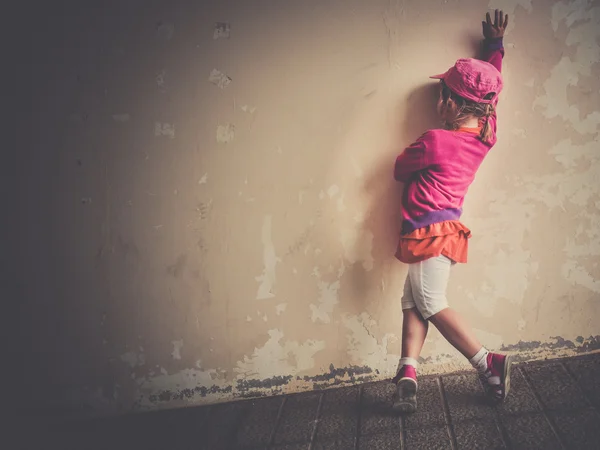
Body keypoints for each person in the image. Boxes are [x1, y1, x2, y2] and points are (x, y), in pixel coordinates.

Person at [391, 10, 512, 414]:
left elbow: (398, 168)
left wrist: (493, 48)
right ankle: (408, 370)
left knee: (431, 301)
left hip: (428, 232)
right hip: (442, 230)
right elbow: (490, 88)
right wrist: (493, 47)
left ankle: (487, 362)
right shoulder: (485, 136)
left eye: (443, 93)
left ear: (450, 105)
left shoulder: (435, 141)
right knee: (413, 301)